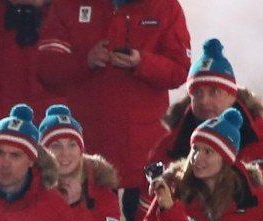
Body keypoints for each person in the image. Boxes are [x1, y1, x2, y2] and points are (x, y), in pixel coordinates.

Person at [34, 0, 190, 194]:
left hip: (143, 155)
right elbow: (46, 68)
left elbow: (180, 69)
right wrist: (85, 61)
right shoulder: (67, 5)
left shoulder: (165, 7)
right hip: (84, 153)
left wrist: (142, 62)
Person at [126, 109, 263, 221]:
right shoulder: (172, 194)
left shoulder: (252, 199)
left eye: (208, 151)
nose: (197, 158)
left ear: (226, 158)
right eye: (195, 149)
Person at [146, 38, 261, 172]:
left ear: (232, 95)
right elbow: (148, 190)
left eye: (214, 91)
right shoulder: (167, 148)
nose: (204, 100)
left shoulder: (259, 139)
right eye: (198, 93)